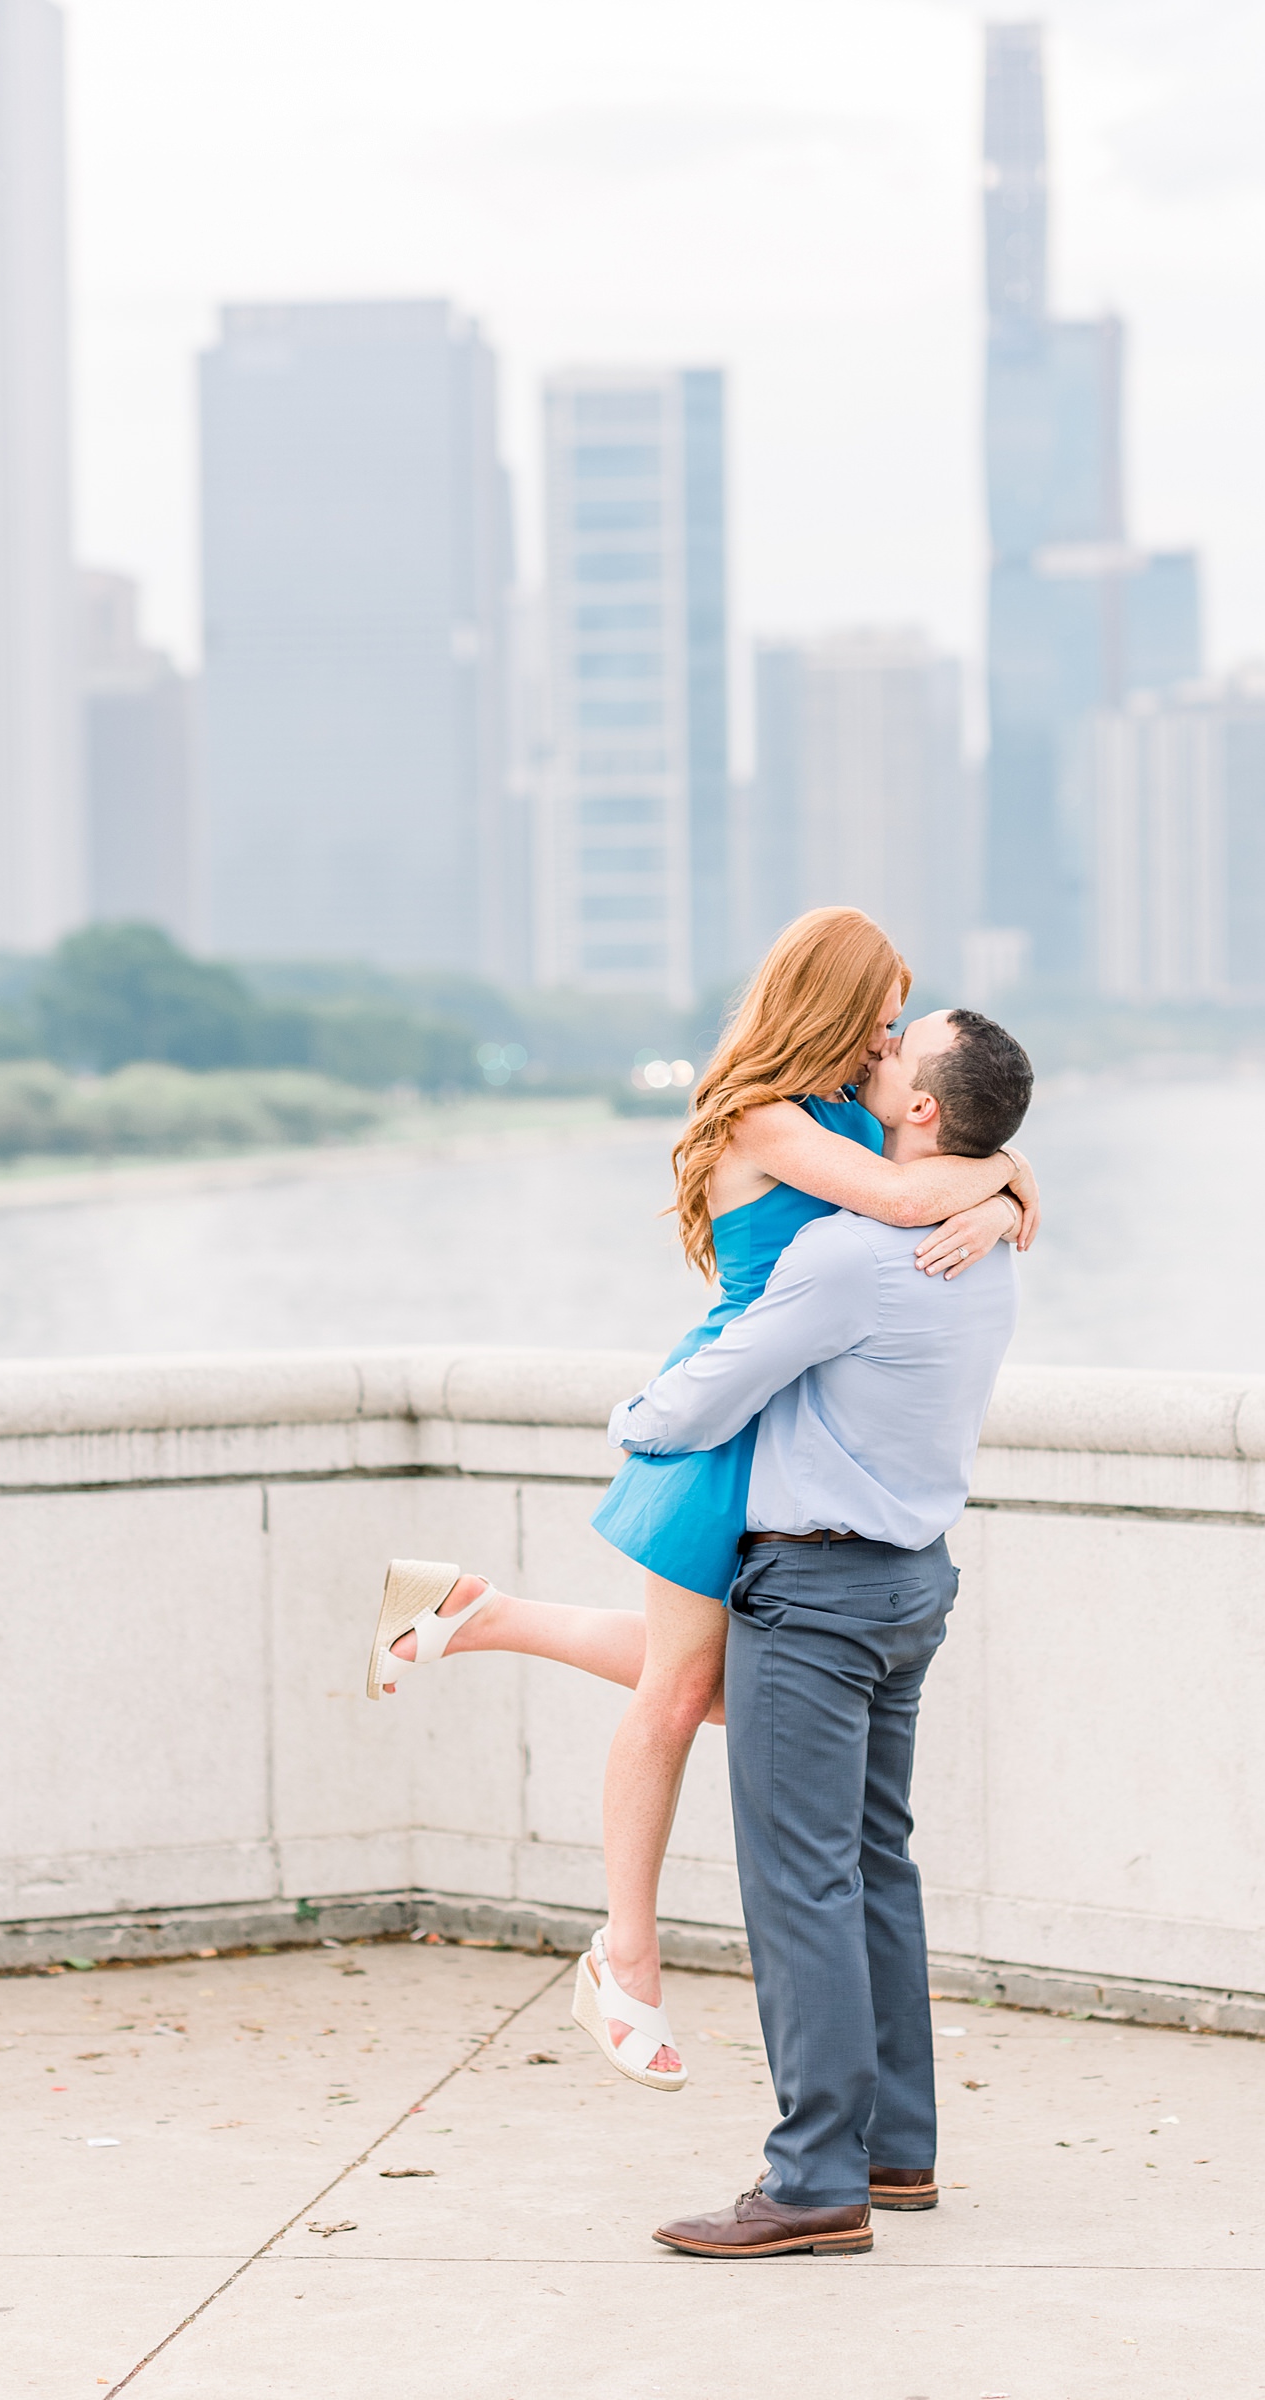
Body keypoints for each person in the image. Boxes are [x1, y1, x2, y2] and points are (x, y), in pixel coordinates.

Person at [364, 908, 1039, 2087]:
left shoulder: (853, 1107)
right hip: (718, 1419)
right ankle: (625, 1958)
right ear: (828, 1003)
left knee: (736, 1690)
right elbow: (898, 1202)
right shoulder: (766, 1116)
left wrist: (1002, 1195)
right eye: (880, 1015)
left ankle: (477, 1615)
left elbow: (951, 1168)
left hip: (780, 1414)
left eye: (897, 1029)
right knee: (684, 1696)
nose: (888, 1038)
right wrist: (999, 1193)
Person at [611, 1005, 1031, 2258]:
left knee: (801, 1887)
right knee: (876, 1868)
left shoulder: (852, 1256)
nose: (876, 1058)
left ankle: (811, 2185)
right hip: (911, 1585)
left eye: (899, 1054)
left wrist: (630, 1420)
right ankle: (898, 2152)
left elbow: (712, 1392)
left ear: (920, 1112)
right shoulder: (987, 1248)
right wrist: (1006, 1187)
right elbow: (994, 1185)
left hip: (819, 1593)